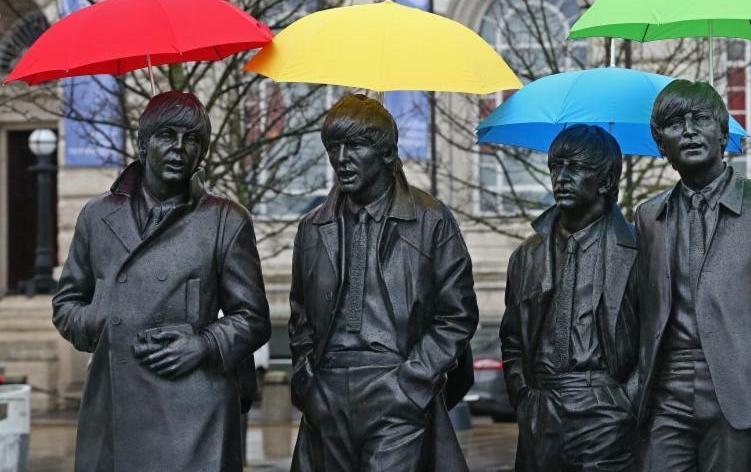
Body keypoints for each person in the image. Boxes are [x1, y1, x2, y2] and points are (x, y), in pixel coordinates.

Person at [53, 91, 271, 471]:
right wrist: (101, 319)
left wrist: (204, 344)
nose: (179, 148)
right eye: (166, 136)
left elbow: (253, 317)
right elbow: (66, 304)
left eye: (192, 140)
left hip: (196, 413)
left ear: (201, 152)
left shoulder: (226, 220)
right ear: (142, 145)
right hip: (116, 408)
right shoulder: (96, 216)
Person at [288, 94, 478, 472]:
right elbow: (300, 315)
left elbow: (457, 315)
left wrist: (412, 381)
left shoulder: (430, 220)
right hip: (327, 391)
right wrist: (307, 381)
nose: (341, 158)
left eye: (355, 146)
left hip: (397, 384)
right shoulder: (312, 227)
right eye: (333, 146)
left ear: (387, 153)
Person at [634, 80, 751, 471]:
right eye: (675, 124)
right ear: (661, 144)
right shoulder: (649, 218)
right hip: (665, 394)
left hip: (741, 394)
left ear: (724, 132)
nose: (690, 131)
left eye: (701, 119)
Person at [500, 124, 638, 471]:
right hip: (541, 410)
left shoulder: (638, 250)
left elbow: (657, 339)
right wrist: (523, 396)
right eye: (555, 167)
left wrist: (626, 404)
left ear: (606, 182)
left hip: (605, 408)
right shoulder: (527, 255)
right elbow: (512, 337)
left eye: (575, 168)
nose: (561, 177)